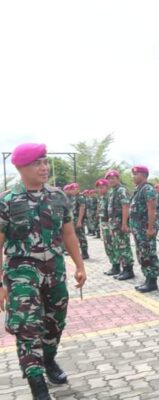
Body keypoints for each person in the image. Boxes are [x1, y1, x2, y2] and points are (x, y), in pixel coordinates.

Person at [0, 143, 87, 399]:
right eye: (36, 163)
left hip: (54, 270)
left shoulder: (58, 196)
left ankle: (49, 360)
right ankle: (37, 385)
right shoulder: (7, 201)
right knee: (27, 327)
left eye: (44, 162)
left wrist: (80, 265)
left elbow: (68, 233)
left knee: (55, 323)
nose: (44, 167)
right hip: (21, 271)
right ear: (20, 167)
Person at [130, 166, 159, 293]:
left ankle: (152, 281)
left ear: (143, 175)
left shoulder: (147, 189)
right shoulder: (139, 189)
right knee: (142, 254)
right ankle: (148, 279)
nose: (133, 176)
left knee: (148, 254)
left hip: (145, 229)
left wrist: (150, 228)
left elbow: (151, 209)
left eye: (135, 174)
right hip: (139, 229)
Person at [105, 170, 135, 280]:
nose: (111, 180)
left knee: (124, 246)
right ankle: (123, 269)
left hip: (119, 222)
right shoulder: (113, 191)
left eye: (113, 178)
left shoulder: (121, 190)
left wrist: (124, 224)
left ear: (118, 178)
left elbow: (125, 206)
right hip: (113, 223)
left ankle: (128, 270)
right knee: (118, 246)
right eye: (109, 179)